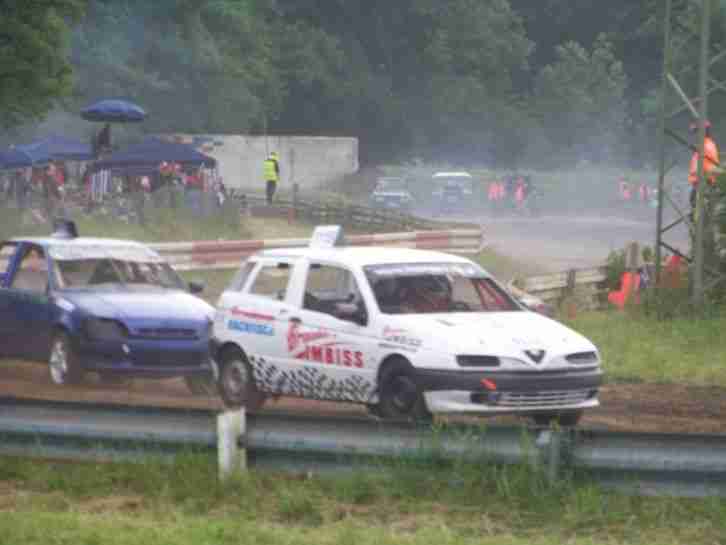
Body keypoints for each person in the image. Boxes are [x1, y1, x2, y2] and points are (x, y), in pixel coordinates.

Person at [688, 120, 720, 215]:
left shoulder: (706, 146)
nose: (694, 135)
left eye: (696, 131)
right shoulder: (703, 145)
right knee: (696, 214)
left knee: (701, 216)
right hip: (701, 184)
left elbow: (709, 168)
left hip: (704, 185)